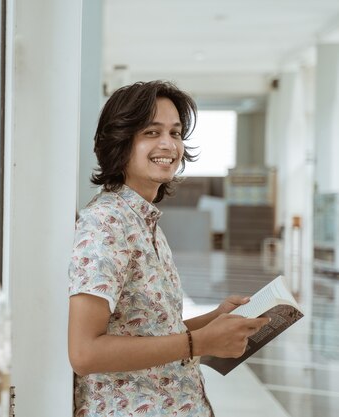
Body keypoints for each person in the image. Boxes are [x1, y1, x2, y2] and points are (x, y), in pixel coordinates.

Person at [67, 80, 269, 416]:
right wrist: (199, 343)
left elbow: (150, 333)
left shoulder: (145, 224)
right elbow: (85, 352)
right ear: (120, 141)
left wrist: (213, 321)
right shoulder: (105, 225)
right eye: (151, 132)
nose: (168, 144)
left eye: (175, 133)